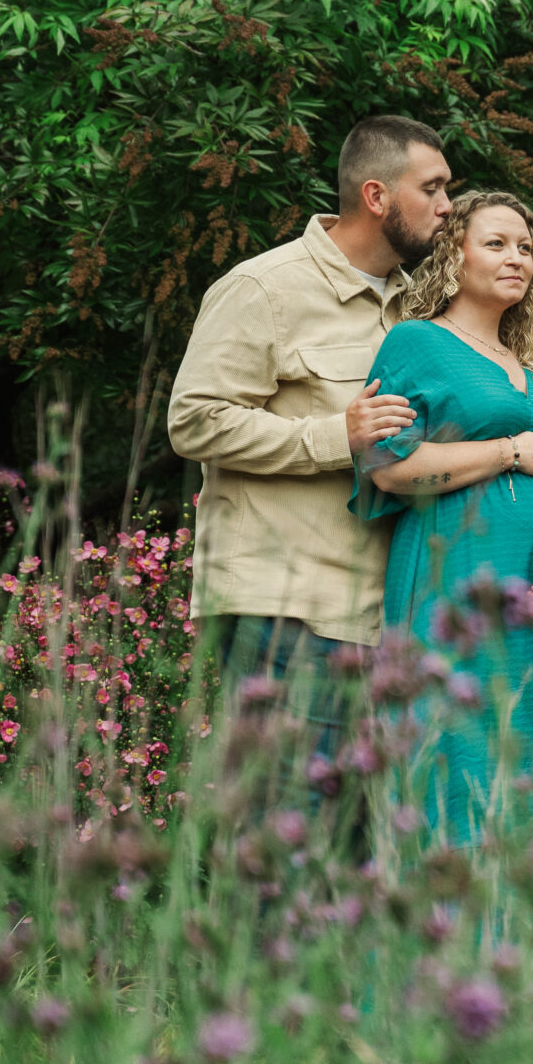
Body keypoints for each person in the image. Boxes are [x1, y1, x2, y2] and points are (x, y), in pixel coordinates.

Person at [167, 116, 453, 712]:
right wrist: (335, 436)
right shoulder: (264, 289)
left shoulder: (419, 309)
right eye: (432, 188)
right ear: (376, 196)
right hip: (283, 609)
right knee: (290, 805)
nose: (447, 206)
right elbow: (193, 420)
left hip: (380, 614)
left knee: (357, 808)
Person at [353, 190, 533, 840]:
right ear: (452, 256)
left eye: (526, 247)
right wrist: (505, 451)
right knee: (464, 762)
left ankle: (529, 941)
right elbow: (386, 464)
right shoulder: (417, 344)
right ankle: (453, 933)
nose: (516, 257)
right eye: (495, 243)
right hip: (459, 588)